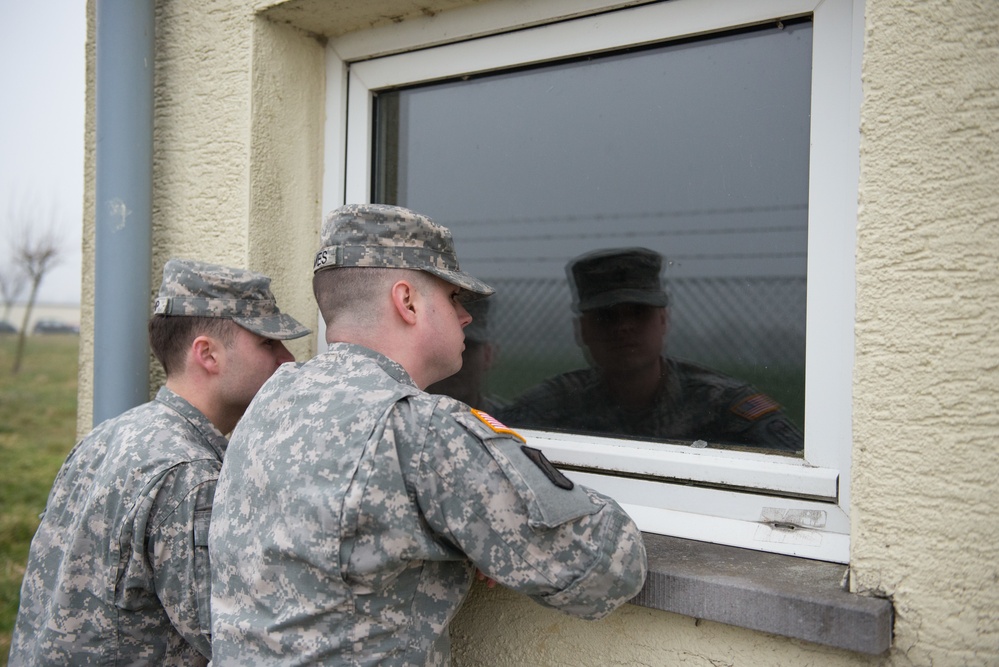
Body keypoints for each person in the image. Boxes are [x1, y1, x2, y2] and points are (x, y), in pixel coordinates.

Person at [209, 204, 647, 666]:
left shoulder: (274, 397)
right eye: (454, 298)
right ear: (408, 301)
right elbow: (609, 568)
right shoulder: (421, 428)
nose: (465, 318)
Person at [9, 258, 310, 666]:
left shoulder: (107, 437)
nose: (287, 359)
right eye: (267, 343)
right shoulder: (189, 476)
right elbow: (239, 642)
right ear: (207, 354)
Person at [500, 247, 803, 452]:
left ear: (663, 321)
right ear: (583, 331)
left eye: (638, 313)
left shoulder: (722, 405)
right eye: (607, 316)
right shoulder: (554, 404)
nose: (623, 327)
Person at [426, 297, 505, 413]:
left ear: (488, 356)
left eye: (467, 348)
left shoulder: (508, 423)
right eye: (444, 346)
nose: (454, 360)